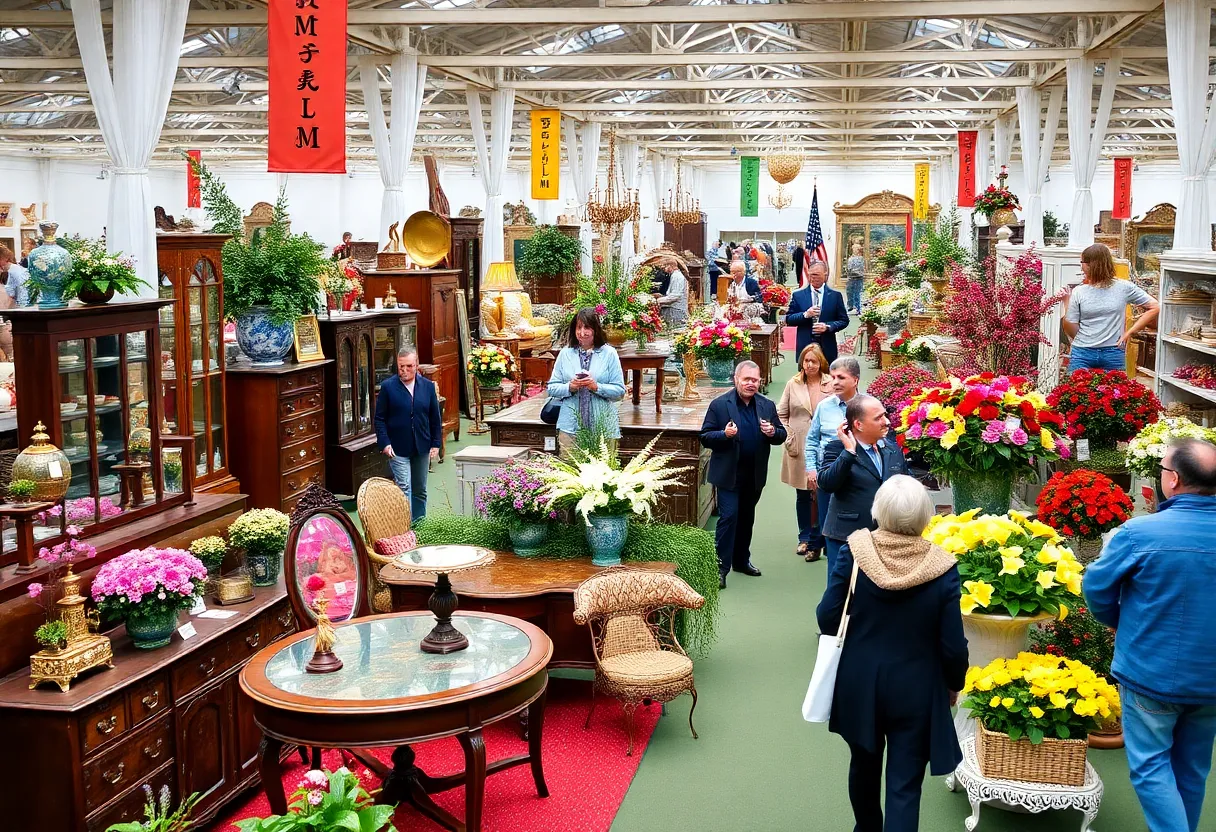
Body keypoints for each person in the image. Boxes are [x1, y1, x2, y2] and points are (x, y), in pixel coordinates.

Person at [817, 475, 968, 832]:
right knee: (904, 783)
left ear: (877, 510)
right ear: (925, 516)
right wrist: (954, 682)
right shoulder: (943, 566)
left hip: (860, 679)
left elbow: (827, 616)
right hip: (917, 687)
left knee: (864, 766)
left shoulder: (856, 552)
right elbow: (953, 645)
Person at [1084, 438, 1216, 832]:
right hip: (1210, 682)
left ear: (1172, 480)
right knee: (1192, 770)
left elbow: (1096, 588)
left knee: (1150, 768)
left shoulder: (1139, 534)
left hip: (1151, 674)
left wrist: (1118, 620)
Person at [700, 361, 786, 589]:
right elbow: (706, 436)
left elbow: (781, 435)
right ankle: (719, 567)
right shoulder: (719, 405)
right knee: (729, 517)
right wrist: (724, 434)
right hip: (729, 474)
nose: (751, 384)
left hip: (754, 474)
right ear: (736, 379)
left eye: (755, 380)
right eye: (747, 379)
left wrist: (772, 432)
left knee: (747, 518)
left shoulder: (766, 405)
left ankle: (740, 561)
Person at [817, 393, 910, 574]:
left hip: (888, 538)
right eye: (878, 418)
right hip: (847, 539)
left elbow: (907, 481)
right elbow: (827, 483)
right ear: (858, 425)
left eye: (885, 415)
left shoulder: (892, 448)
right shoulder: (837, 448)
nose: (887, 422)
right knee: (843, 596)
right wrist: (849, 452)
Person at [1061, 242, 1160, 371]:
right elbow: (1070, 325)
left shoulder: (1124, 287)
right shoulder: (1079, 291)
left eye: (1082, 263)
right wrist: (1066, 302)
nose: (1081, 268)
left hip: (1113, 352)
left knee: (1116, 390)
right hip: (1082, 353)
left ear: (1092, 265)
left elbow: (1155, 306)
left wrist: (1129, 332)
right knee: (1076, 389)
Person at [546, 307, 626, 457]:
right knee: (570, 471)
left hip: (603, 426)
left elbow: (619, 391)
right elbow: (552, 388)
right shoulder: (565, 354)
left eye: (587, 327)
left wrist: (596, 387)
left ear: (596, 329)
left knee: (604, 474)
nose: (582, 333)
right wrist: (570, 387)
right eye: (578, 328)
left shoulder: (609, 354)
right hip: (570, 425)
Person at [777, 344, 833, 561]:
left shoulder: (830, 382)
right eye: (806, 361)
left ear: (821, 363)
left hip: (825, 445)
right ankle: (804, 536)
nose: (809, 365)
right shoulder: (793, 383)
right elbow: (781, 413)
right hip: (799, 444)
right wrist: (788, 434)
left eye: (814, 361)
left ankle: (821, 538)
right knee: (803, 493)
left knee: (821, 492)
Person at [374, 346, 442, 523]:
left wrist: (436, 443)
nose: (404, 370)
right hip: (397, 447)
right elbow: (379, 419)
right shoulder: (388, 387)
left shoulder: (427, 387)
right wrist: (384, 443)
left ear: (417, 365)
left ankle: (419, 526)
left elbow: (435, 417)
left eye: (409, 366)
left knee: (420, 488)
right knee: (404, 486)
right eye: (401, 367)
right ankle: (405, 528)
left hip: (422, 445)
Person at [805, 357, 862, 565]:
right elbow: (812, 440)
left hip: (858, 476)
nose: (835, 382)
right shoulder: (824, 407)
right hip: (827, 476)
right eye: (832, 377)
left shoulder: (868, 406)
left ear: (855, 380)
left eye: (841, 377)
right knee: (829, 528)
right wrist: (811, 469)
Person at [785, 260, 849, 363]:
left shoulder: (835, 296)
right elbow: (789, 319)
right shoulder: (798, 295)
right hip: (805, 346)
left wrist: (828, 327)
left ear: (825, 274)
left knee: (827, 378)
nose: (812, 278)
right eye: (810, 275)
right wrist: (805, 315)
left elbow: (844, 320)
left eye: (816, 275)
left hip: (827, 347)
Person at [655, 256, 689, 328]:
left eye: (664, 267)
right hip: (674, 311)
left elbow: (675, 296)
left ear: (670, 266)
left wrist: (658, 300)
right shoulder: (674, 275)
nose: (663, 269)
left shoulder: (677, 276)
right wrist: (661, 296)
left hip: (676, 311)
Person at [845, 242, 867, 316]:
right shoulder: (850, 258)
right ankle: (850, 307)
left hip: (858, 278)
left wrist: (853, 271)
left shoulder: (861, 259)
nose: (854, 250)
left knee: (858, 293)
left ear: (858, 250)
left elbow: (861, 268)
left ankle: (858, 309)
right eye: (853, 249)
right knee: (849, 292)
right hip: (851, 278)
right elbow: (848, 268)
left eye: (856, 249)